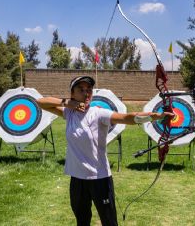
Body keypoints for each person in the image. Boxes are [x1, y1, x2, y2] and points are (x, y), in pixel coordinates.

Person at [36, 76, 174, 226]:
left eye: (89, 90)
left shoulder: (98, 113)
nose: (86, 93)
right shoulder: (69, 113)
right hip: (77, 178)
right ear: (72, 93)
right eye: (81, 90)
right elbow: (41, 102)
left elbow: (127, 118)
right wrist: (68, 103)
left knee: (109, 222)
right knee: (82, 221)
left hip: (99, 178)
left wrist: (155, 117)